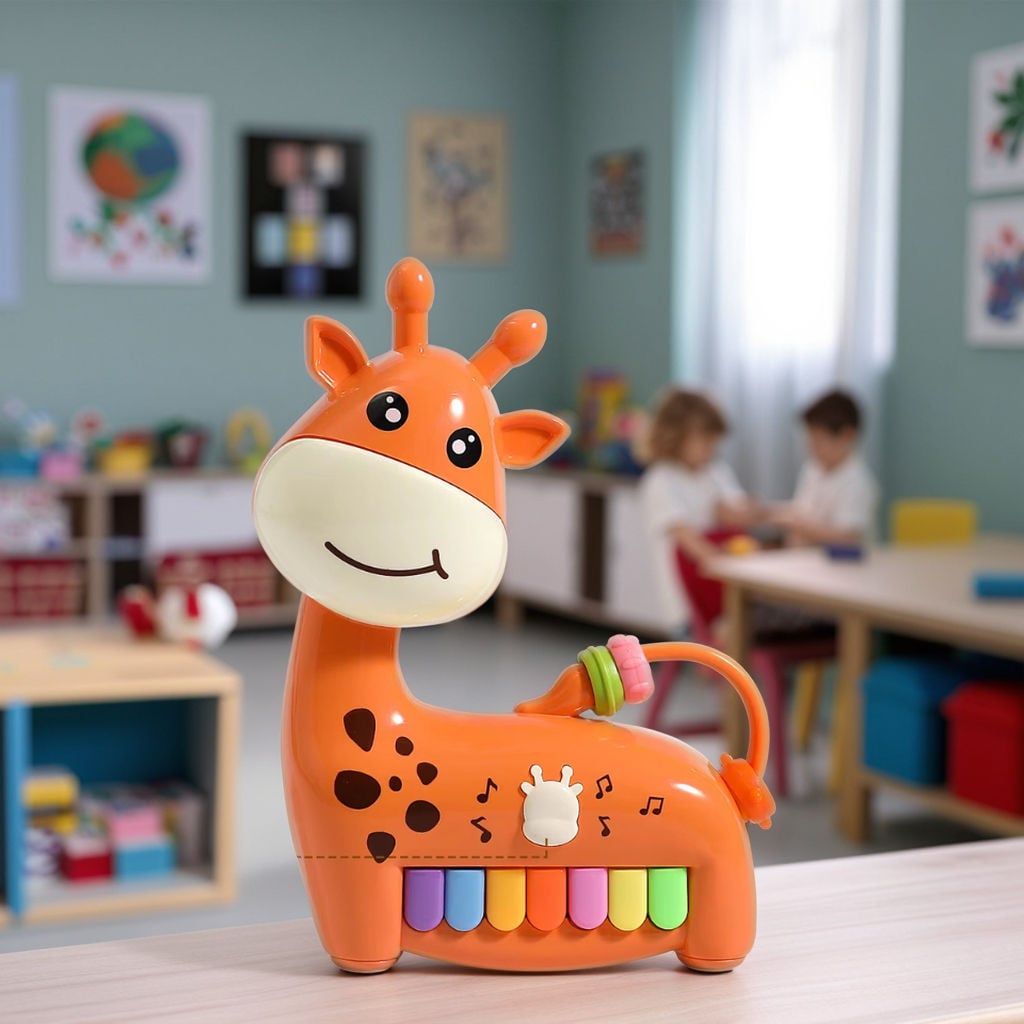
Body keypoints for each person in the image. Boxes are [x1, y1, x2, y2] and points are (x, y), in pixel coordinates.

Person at [639, 388, 759, 631]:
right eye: (705, 442)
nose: (711, 450)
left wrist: (745, 512)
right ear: (675, 436)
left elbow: (737, 512)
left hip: (723, 587)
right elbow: (686, 538)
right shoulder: (661, 480)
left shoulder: (716, 472)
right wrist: (723, 565)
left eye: (714, 443)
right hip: (687, 599)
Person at [773, 388, 878, 546]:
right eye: (810, 439)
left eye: (818, 440)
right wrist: (766, 513)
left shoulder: (858, 482)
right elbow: (801, 510)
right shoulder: (813, 469)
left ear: (847, 435)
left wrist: (796, 525)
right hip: (805, 557)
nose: (811, 447)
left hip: (843, 561)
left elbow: (847, 537)